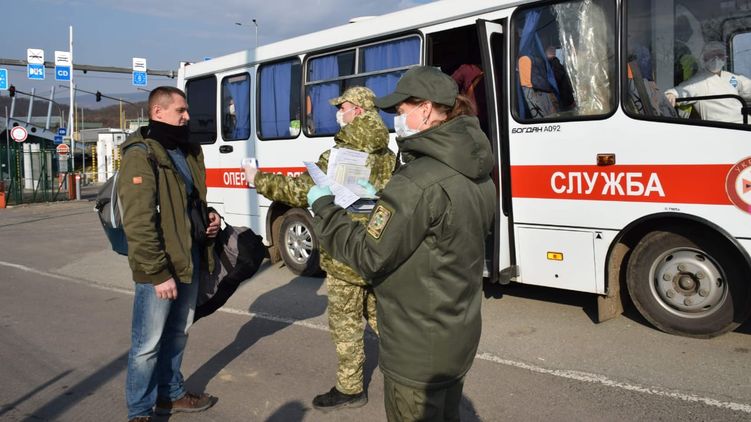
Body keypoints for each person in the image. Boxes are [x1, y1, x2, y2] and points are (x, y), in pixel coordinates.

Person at [307, 66, 496, 421]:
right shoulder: (479, 173)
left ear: (425, 110)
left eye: (400, 110)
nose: (396, 118)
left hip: (416, 350)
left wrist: (325, 209)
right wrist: (382, 202)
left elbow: (368, 256)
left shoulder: (415, 182)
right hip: (458, 335)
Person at [244, 86, 395, 411]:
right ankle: (408, 369)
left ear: (356, 109)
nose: (338, 113)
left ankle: (351, 389)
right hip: (376, 250)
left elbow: (300, 191)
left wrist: (257, 178)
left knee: (346, 325)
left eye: (342, 107)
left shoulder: (341, 154)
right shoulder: (387, 152)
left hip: (344, 253)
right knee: (379, 315)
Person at [118, 86, 221, 422]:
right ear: (158, 112)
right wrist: (158, 273)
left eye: (187, 110)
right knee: (147, 344)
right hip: (159, 266)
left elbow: (190, 203)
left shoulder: (187, 151)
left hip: (188, 257)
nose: (188, 116)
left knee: (178, 332)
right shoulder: (141, 154)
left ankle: (170, 394)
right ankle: (139, 410)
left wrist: (211, 218)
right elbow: (138, 222)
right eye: (181, 111)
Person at [665, 41, 751, 124]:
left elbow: (747, 87)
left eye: (720, 55)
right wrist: (672, 94)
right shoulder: (699, 81)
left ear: (725, 57)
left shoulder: (731, 77)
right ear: (704, 58)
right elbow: (681, 91)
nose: (716, 59)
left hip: (745, 122)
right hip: (724, 127)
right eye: (712, 55)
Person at [546, 46, 576, 111]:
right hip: (567, 94)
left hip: (564, 95)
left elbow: (557, 77)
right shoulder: (557, 62)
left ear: (548, 54)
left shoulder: (554, 62)